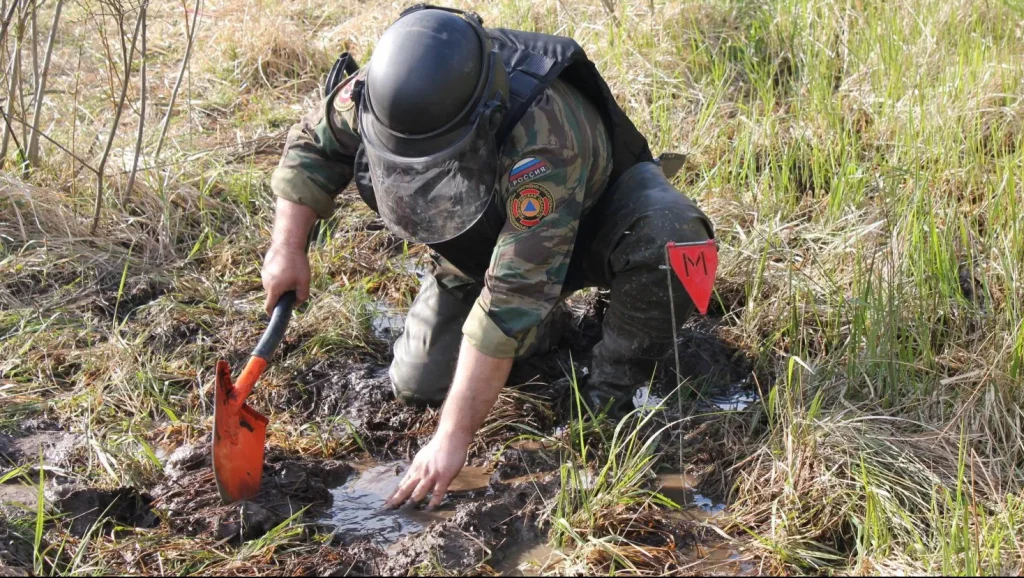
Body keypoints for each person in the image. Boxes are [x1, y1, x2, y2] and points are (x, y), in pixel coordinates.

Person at [261, 5, 714, 510]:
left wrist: (451, 439)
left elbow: (510, 298)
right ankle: (546, 329)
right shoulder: (387, 91)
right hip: (478, 240)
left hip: (591, 222)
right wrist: (287, 250)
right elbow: (312, 147)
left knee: (673, 242)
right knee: (419, 383)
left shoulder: (542, 140)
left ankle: (613, 393)